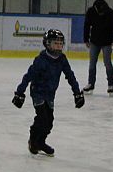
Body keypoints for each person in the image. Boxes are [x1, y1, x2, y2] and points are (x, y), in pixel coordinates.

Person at [12, 28, 84, 158]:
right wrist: (19, 92)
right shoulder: (41, 60)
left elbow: (70, 75)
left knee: (49, 121)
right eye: (56, 43)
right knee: (42, 118)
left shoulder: (62, 59)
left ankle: (41, 142)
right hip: (38, 92)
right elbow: (28, 76)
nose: (59, 46)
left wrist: (77, 93)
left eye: (61, 43)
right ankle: (33, 140)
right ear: (47, 44)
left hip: (50, 94)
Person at [82, 0, 113, 94]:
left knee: (107, 63)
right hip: (94, 42)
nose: (101, 14)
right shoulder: (91, 12)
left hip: (107, 42)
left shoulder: (111, 13)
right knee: (92, 63)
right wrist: (86, 39)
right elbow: (86, 25)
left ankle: (111, 84)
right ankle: (90, 83)